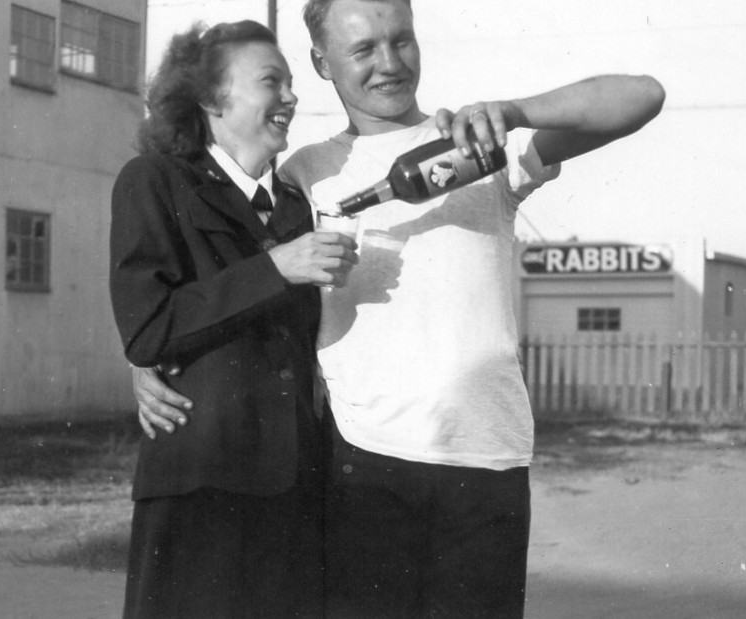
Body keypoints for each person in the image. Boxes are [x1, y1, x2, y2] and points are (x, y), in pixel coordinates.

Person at [132, 1, 666, 617]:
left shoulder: (478, 146)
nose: (389, 63)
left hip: (484, 455)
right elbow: (224, 280)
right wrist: (152, 357)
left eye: (401, 41)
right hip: (361, 463)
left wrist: (515, 112)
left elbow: (643, 97)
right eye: (363, 50)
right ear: (321, 63)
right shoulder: (303, 175)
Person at [109, 19, 357, 619]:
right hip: (201, 490)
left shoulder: (298, 208)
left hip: (296, 491)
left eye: (292, 83)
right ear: (211, 99)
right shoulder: (153, 180)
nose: (293, 98)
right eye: (272, 82)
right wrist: (276, 268)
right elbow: (146, 330)